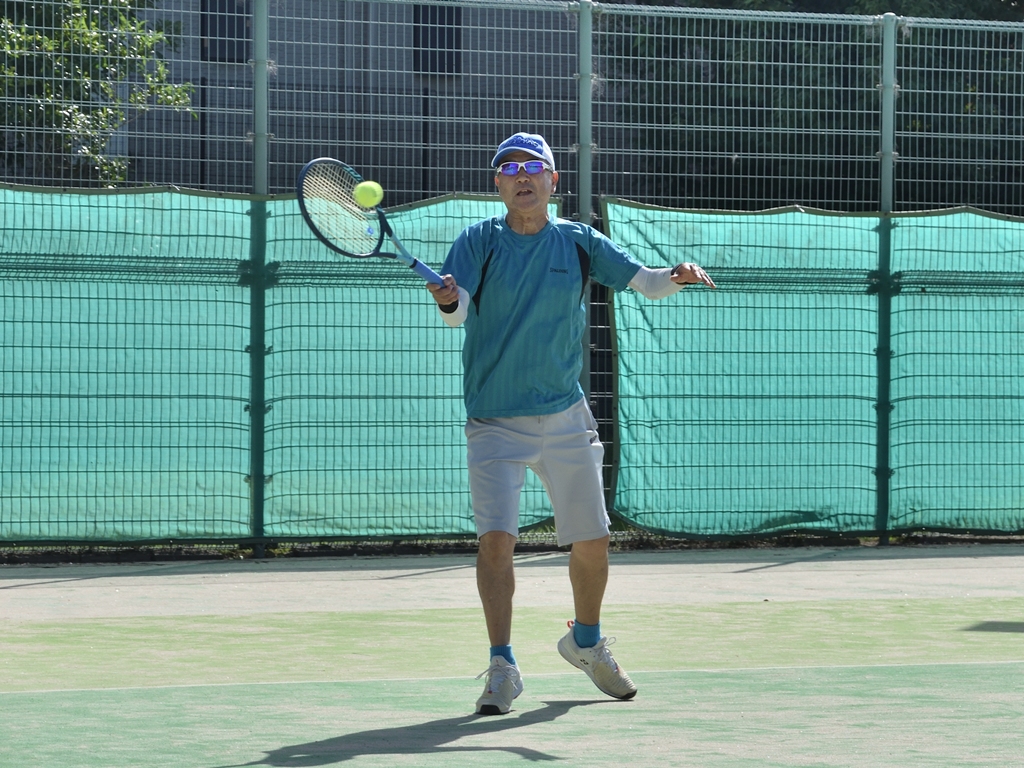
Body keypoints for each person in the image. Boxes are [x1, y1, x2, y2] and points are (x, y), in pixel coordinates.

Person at [426, 132, 716, 716]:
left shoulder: (579, 241)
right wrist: (446, 297)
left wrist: (678, 273)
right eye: (509, 168)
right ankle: (502, 666)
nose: (522, 176)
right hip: (494, 421)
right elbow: (456, 317)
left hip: (565, 415)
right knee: (496, 541)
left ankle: (585, 642)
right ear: (498, 184)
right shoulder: (478, 241)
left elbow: (646, 283)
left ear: (552, 181)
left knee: (593, 541)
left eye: (533, 167)